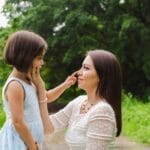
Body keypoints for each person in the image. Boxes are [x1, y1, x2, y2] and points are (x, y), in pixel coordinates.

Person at [0, 30, 76, 150]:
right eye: (39, 58)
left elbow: (46, 97)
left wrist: (65, 85)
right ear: (25, 57)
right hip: (20, 141)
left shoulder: (29, 81)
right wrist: (32, 145)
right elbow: (18, 121)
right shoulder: (15, 85)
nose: (42, 62)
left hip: (31, 140)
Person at [33, 49, 122, 150]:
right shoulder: (79, 102)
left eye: (86, 68)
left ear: (101, 76)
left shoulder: (102, 112)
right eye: (81, 67)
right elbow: (47, 128)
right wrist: (40, 87)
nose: (79, 72)